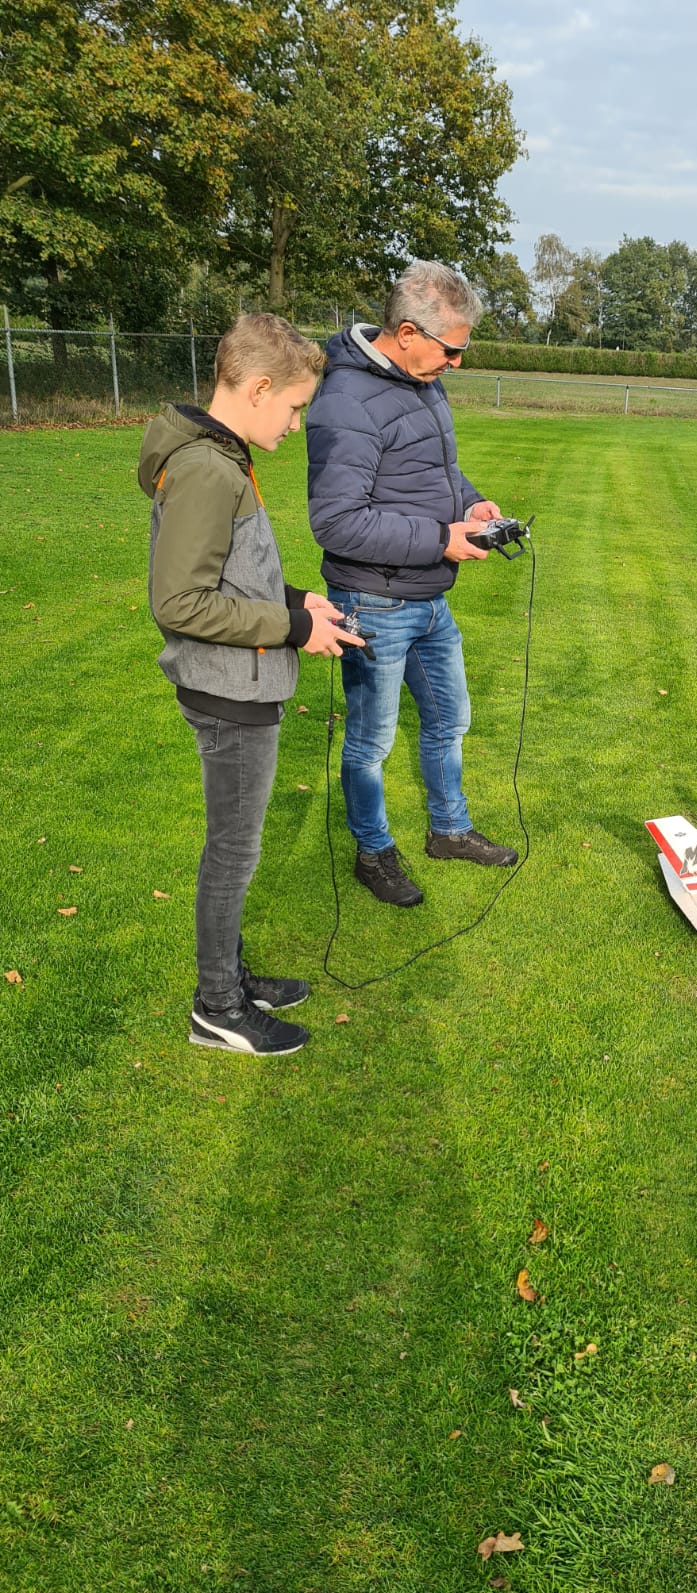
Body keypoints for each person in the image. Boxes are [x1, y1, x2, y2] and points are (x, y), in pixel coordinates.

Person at [140, 312, 364, 1056]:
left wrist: (297, 599)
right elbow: (179, 601)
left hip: (242, 681)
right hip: (228, 692)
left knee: (234, 848)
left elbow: (233, 576)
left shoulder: (220, 457)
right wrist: (295, 629)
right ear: (260, 387)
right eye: (296, 406)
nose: (299, 423)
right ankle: (217, 1007)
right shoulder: (208, 469)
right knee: (233, 852)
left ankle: (229, 975)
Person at [305, 260, 518, 910]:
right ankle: (374, 852)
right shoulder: (345, 400)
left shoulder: (421, 381)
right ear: (406, 332)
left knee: (451, 719)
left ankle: (449, 831)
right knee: (371, 742)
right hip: (373, 601)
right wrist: (439, 540)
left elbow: (434, 475)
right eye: (451, 349)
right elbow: (336, 522)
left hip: (428, 599)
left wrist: (475, 507)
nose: (456, 363)